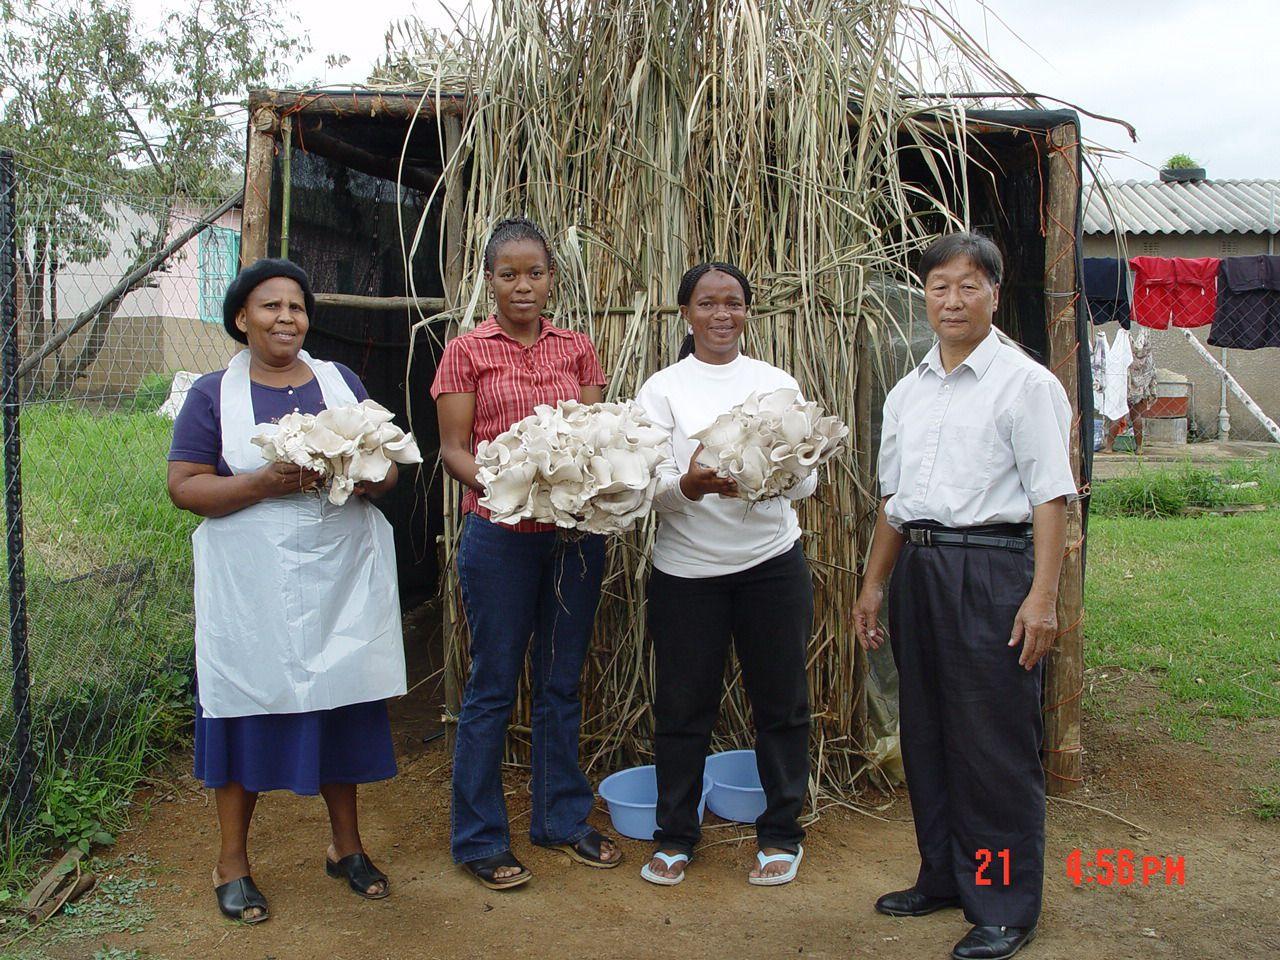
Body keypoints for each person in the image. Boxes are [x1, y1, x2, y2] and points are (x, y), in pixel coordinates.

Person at [853, 233, 1076, 960]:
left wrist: (1042, 598)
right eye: (940, 286)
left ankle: (1004, 900)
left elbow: (1050, 497)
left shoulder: (1026, 384)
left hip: (992, 572)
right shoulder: (909, 389)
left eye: (968, 286)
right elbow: (895, 501)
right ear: (926, 294)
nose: (952, 300)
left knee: (991, 744)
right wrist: (873, 585)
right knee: (929, 734)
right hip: (920, 571)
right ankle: (946, 875)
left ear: (994, 295)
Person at [167, 258, 407, 924]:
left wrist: (366, 476)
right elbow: (184, 485)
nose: (285, 318)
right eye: (269, 306)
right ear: (241, 318)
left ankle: (346, 846)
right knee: (245, 705)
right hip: (254, 591)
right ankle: (232, 862)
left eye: (296, 307)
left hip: (335, 581)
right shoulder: (215, 394)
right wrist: (260, 485)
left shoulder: (340, 381)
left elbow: (385, 469)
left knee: (340, 699)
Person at [431, 216, 622, 890]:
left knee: (560, 681)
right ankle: (479, 839)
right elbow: (456, 449)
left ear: (550, 278)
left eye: (534, 273)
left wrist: (569, 490)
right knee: (491, 686)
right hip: (500, 537)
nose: (522, 286)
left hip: (572, 539)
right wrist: (512, 487)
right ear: (488, 278)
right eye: (507, 273)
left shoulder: (576, 348)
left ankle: (561, 821)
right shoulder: (467, 350)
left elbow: (592, 439)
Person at [634, 261, 815, 888]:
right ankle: (676, 836)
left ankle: (782, 832)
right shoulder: (662, 389)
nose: (721, 314)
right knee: (683, 708)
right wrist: (687, 484)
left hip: (771, 564)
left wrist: (770, 480)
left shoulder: (774, 382)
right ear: (686, 313)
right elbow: (645, 485)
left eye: (733, 302)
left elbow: (809, 471)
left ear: (747, 311)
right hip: (687, 572)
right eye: (707, 303)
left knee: (782, 703)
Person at [1103, 326, 1157, 452]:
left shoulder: (1124, 343)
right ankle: (1139, 448)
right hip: (1139, 385)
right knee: (1136, 415)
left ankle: (1109, 447)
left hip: (1123, 383)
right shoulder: (1144, 349)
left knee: (1117, 413)